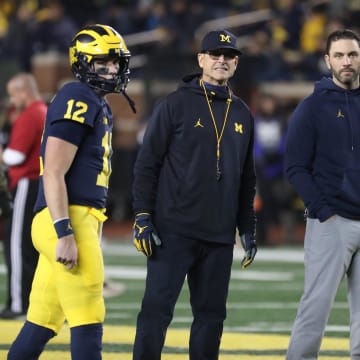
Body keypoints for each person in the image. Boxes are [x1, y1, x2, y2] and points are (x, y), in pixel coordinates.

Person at [7, 24, 134, 360]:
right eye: (102, 62)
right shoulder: (77, 96)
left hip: (73, 218)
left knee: (42, 321)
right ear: (82, 63)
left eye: (115, 63)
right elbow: (53, 170)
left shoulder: (95, 102)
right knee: (88, 314)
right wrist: (65, 231)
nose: (111, 69)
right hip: (64, 219)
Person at [132, 29, 257, 360]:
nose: (221, 60)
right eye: (214, 54)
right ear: (200, 59)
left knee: (211, 318)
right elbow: (147, 165)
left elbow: (247, 176)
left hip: (218, 235)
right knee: (156, 312)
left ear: (236, 63)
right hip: (172, 231)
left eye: (229, 55)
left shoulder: (243, 112)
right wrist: (143, 215)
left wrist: (247, 225)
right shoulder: (173, 105)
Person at [285, 29, 360, 359]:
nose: (347, 61)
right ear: (328, 60)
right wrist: (322, 208)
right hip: (332, 221)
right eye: (341, 55)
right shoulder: (312, 107)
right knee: (314, 311)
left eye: (353, 55)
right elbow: (295, 168)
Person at [0, 73, 47, 319]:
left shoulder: (31, 115)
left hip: (27, 183)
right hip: (38, 183)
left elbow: (14, 157)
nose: (11, 99)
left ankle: (19, 304)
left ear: (23, 92)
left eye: (13, 93)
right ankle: (30, 303)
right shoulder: (42, 111)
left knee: (17, 245)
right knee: (30, 246)